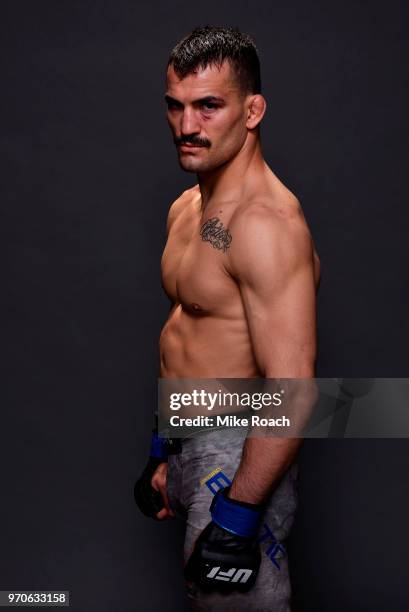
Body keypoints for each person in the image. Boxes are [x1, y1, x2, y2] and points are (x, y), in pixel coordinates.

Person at [135, 26, 320, 611]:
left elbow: (293, 391)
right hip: (195, 442)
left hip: (240, 454)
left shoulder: (267, 225)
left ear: (252, 110)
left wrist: (238, 514)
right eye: (177, 106)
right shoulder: (189, 207)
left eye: (209, 106)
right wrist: (166, 449)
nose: (188, 126)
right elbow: (189, 336)